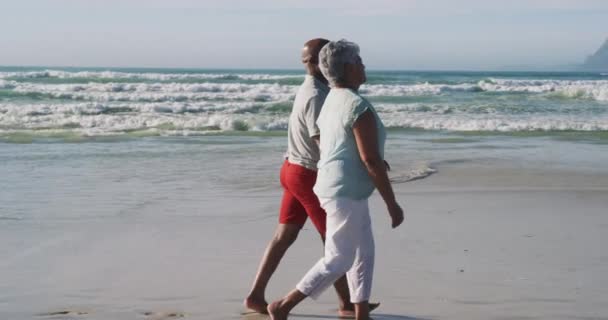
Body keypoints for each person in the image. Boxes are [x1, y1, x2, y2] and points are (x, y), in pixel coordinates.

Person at [267, 39, 405, 320]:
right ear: (349, 68)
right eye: (360, 61)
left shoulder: (333, 98)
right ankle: (283, 305)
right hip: (343, 190)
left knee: (364, 251)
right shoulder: (357, 106)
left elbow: (341, 145)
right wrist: (392, 203)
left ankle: (360, 313)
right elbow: (370, 160)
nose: (364, 66)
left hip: (341, 187)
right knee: (338, 258)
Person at [244, 38, 377, 317]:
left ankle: (255, 295)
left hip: (293, 167)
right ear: (319, 62)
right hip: (307, 173)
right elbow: (324, 144)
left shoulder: (311, 88)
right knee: (337, 241)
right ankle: (345, 304)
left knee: (284, 236)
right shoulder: (318, 95)